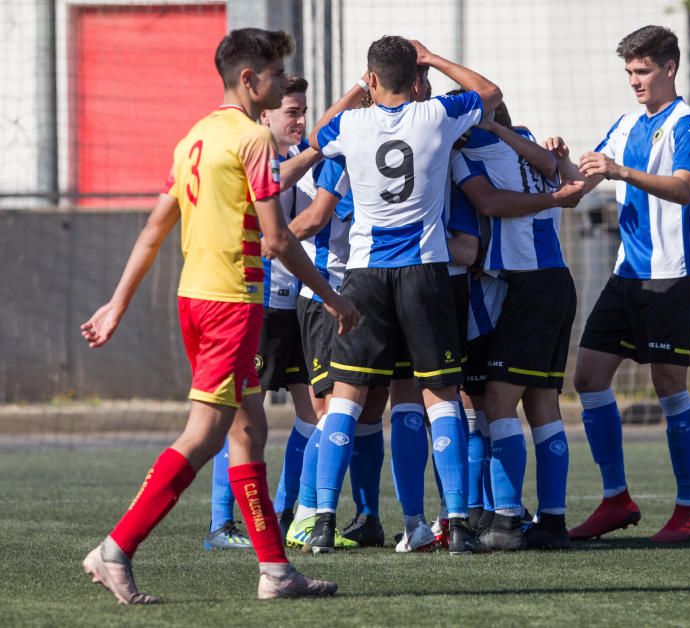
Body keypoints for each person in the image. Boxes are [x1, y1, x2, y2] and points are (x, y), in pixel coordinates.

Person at [79, 28, 358, 604]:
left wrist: (117, 303)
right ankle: (116, 549)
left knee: (248, 430)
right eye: (278, 74)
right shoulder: (252, 138)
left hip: (195, 299)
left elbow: (156, 228)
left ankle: (276, 572)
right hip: (232, 302)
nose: (283, 83)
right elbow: (278, 240)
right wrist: (333, 298)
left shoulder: (193, 138)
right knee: (204, 433)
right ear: (250, 80)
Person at [307, 35, 501, 555]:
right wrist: (434, 59)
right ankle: (456, 522)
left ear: (372, 80)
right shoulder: (435, 114)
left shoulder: (350, 124)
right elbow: (489, 91)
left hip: (366, 276)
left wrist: (357, 89)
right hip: (424, 272)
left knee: (345, 396)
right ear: (415, 79)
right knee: (440, 396)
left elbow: (314, 135)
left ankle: (324, 519)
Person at [564, 25, 690, 543]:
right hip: (628, 274)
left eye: (643, 70)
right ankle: (616, 499)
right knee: (588, 378)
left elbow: (682, 188)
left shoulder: (688, 125)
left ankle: (689, 507)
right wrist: (544, 153)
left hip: (671, 276)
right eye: (629, 71)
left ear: (669, 67)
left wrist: (620, 172)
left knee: (669, 387)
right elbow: (581, 178)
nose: (635, 81)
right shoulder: (626, 124)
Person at [452, 103, 582, 550]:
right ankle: (552, 521)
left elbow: (488, 202)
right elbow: (565, 175)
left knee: (498, 400)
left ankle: (505, 521)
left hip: (528, 288)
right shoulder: (529, 145)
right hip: (557, 282)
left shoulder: (466, 152)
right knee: (542, 404)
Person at [203, 75, 321, 551]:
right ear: (265, 114)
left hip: (296, 307)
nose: (301, 120)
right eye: (292, 111)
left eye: (304, 111)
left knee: (312, 412)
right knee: (236, 417)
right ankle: (221, 524)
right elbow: (276, 235)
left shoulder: (295, 161)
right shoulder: (254, 160)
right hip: (257, 305)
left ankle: (285, 512)